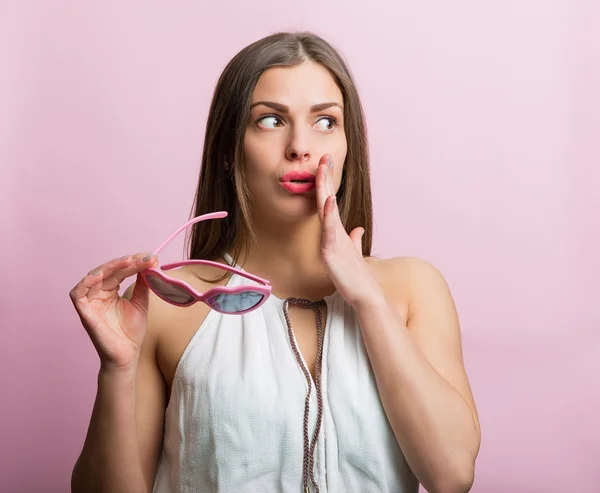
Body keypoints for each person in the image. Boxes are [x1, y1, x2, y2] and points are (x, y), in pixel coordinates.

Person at [69, 31, 480, 493]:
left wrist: (367, 297)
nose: (300, 147)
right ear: (229, 149)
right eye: (270, 121)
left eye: (326, 121)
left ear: (349, 146)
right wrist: (117, 369)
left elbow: (451, 475)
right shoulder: (170, 301)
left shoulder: (412, 289)